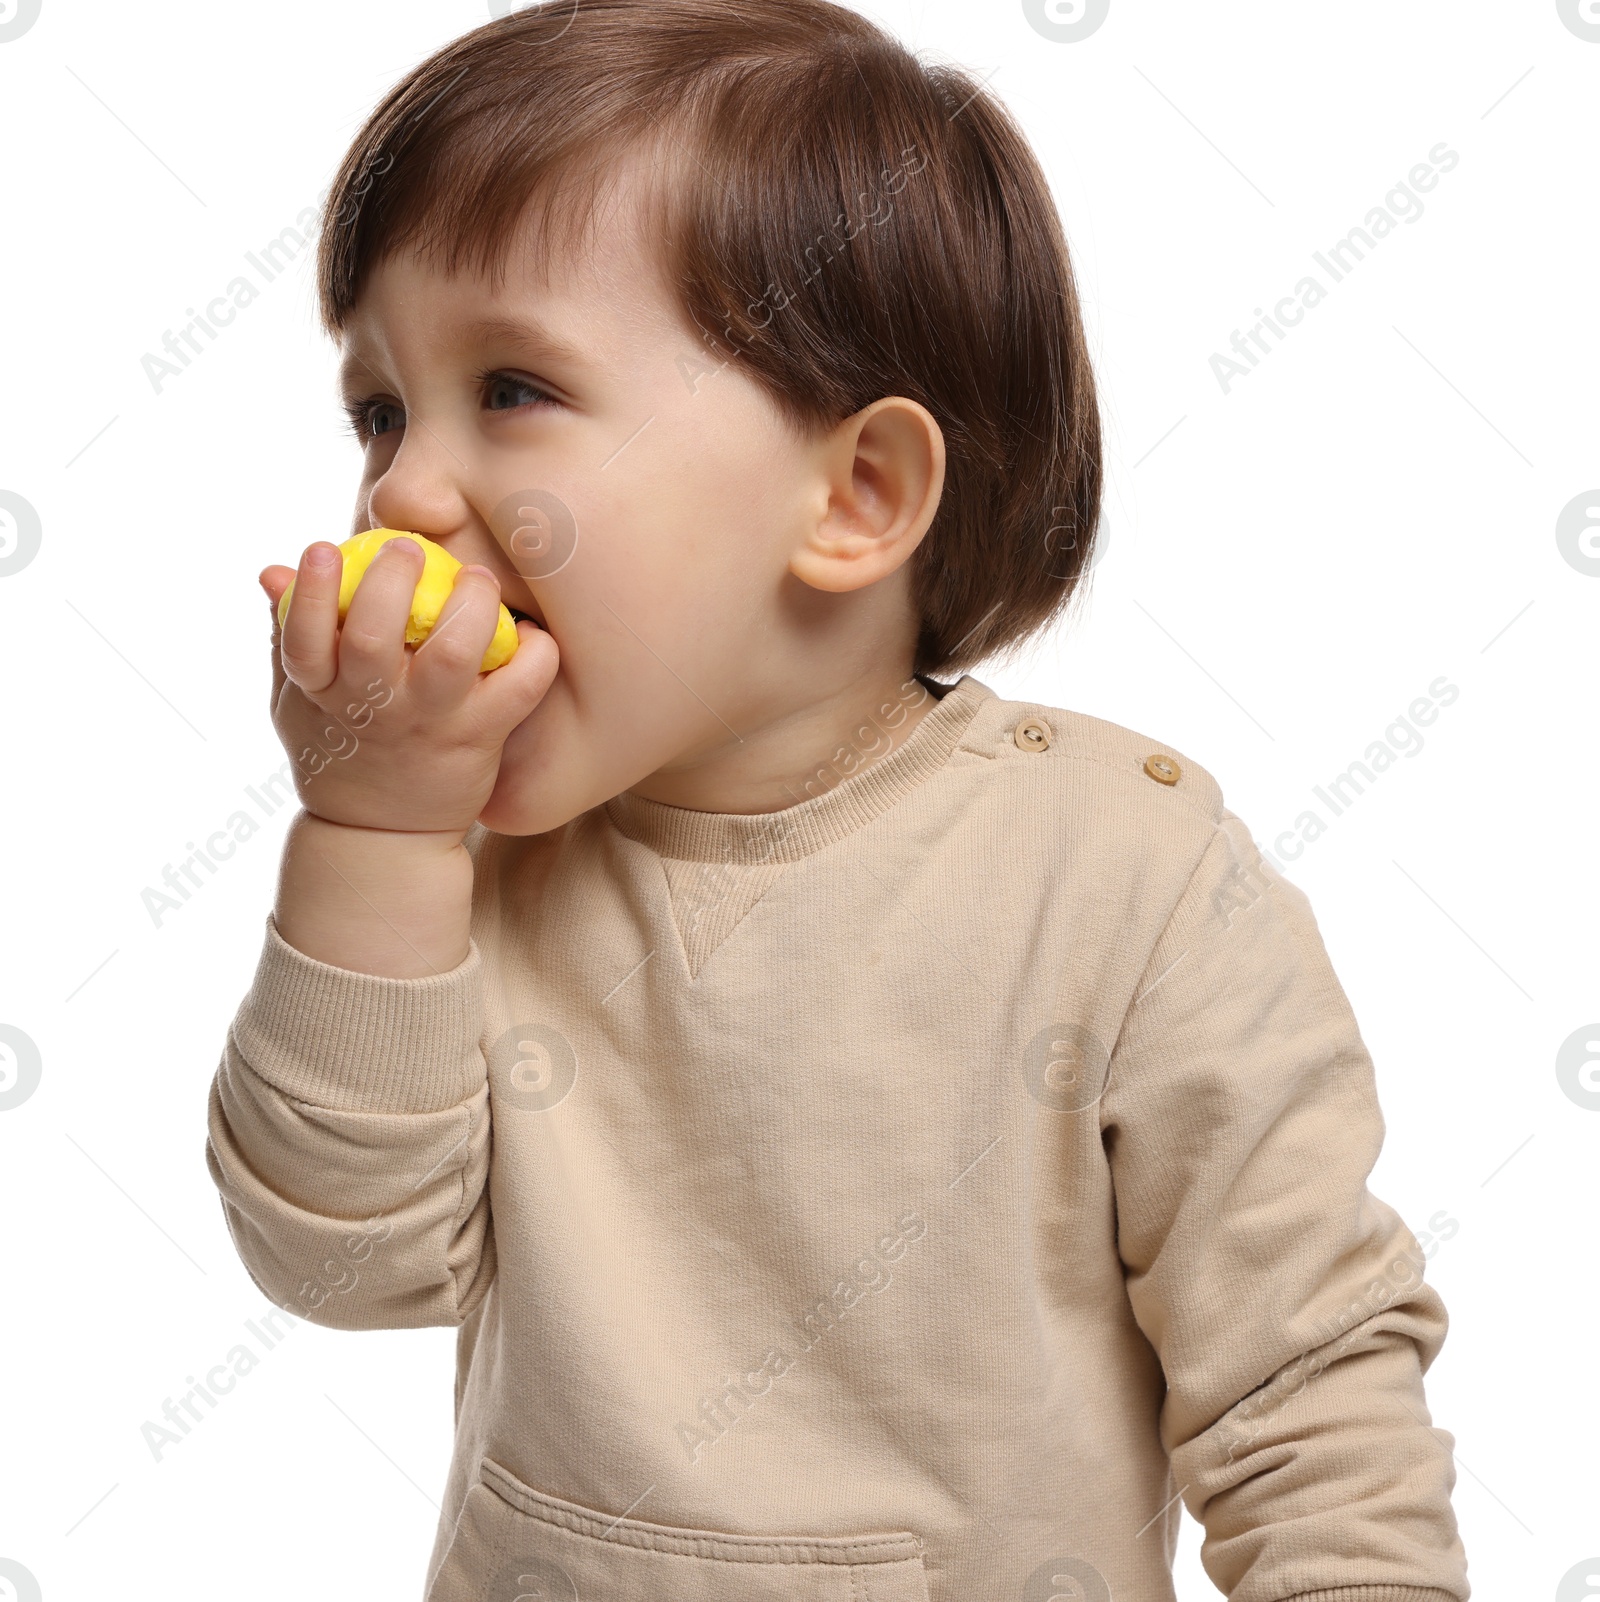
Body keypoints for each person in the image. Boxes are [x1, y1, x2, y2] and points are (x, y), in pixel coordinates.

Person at [204, 3, 1470, 1598]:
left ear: (855, 496)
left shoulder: (1126, 875)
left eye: (510, 386)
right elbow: (337, 1260)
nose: (397, 492)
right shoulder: (459, 879)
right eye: (380, 410)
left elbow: (1307, 1386)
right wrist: (372, 833)